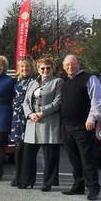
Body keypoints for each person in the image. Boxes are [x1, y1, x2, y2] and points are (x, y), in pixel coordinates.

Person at [60, 54, 101, 200]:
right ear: (64, 67)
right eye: (67, 65)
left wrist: (91, 118)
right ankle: (78, 186)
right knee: (74, 159)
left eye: (73, 64)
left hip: (83, 126)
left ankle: (93, 188)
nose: (70, 67)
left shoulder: (90, 78)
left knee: (87, 159)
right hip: (67, 126)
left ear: (79, 64)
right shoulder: (66, 81)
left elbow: (97, 100)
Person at [21, 57, 63, 191]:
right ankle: (27, 181)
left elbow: (58, 102)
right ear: (38, 69)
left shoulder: (58, 82)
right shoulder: (32, 83)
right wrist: (29, 114)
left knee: (50, 156)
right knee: (28, 155)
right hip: (32, 123)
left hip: (48, 123)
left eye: (48, 68)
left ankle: (48, 182)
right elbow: (25, 102)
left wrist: (41, 112)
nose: (45, 70)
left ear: (53, 69)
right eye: (42, 68)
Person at [9, 58, 36, 187]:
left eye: (27, 67)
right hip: (17, 118)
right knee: (18, 148)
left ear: (31, 68)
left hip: (28, 117)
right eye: (22, 67)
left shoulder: (34, 82)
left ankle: (27, 179)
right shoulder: (17, 81)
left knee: (27, 149)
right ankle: (18, 176)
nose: (25, 69)